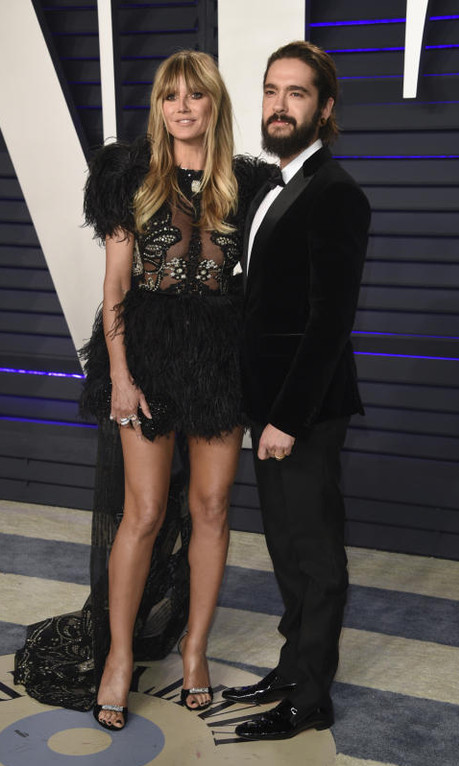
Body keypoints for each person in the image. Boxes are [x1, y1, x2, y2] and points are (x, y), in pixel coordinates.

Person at [76, 50, 270, 731]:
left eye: (195, 95)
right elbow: (115, 285)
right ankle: (119, 657)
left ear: (215, 104)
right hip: (147, 353)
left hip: (218, 356)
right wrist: (120, 376)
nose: (182, 107)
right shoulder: (128, 175)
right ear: (158, 107)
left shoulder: (249, 183)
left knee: (212, 505)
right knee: (145, 511)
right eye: (170, 96)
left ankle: (195, 650)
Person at [222, 41, 371, 740]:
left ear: (325, 107)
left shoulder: (337, 194)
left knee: (315, 553)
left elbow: (329, 322)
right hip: (267, 406)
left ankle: (311, 696)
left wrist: (284, 417)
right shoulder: (267, 187)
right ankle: (290, 667)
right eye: (271, 91)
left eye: (297, 93)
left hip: (304, 410)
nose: (279, 106)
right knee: (284, 547)